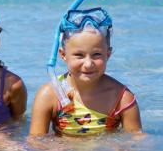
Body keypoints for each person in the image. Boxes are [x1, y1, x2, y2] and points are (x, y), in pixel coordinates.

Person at [30, 7, 142, 136]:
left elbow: (135, 143)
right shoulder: (49, 95)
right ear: (63, 54)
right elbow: (36, 144)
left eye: (96, 55)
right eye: (79, 55)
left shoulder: (121, 98)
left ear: (108, 54)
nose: (88, 64)